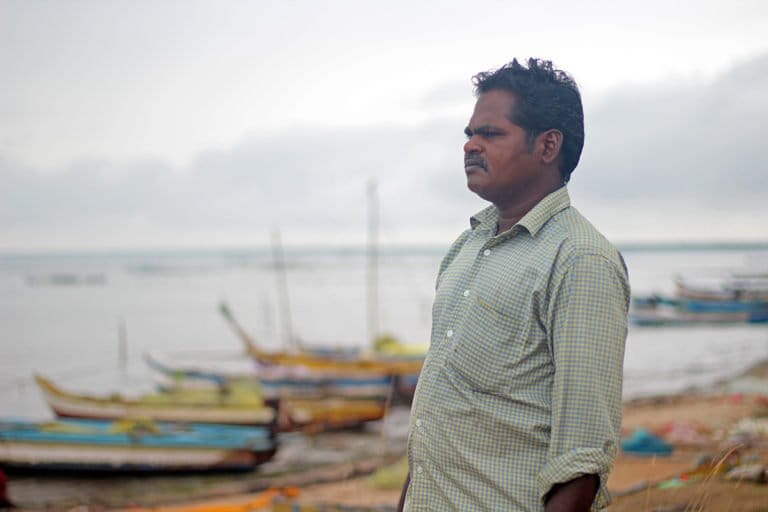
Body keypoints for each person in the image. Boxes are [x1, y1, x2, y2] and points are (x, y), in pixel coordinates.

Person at [398, 58, 629, 511]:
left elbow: (581, 459)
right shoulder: (467, 246)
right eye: (468, 134)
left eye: (491, 134)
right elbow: (440, 412)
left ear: (547, 146)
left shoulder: (580, 260)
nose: (471, 146)